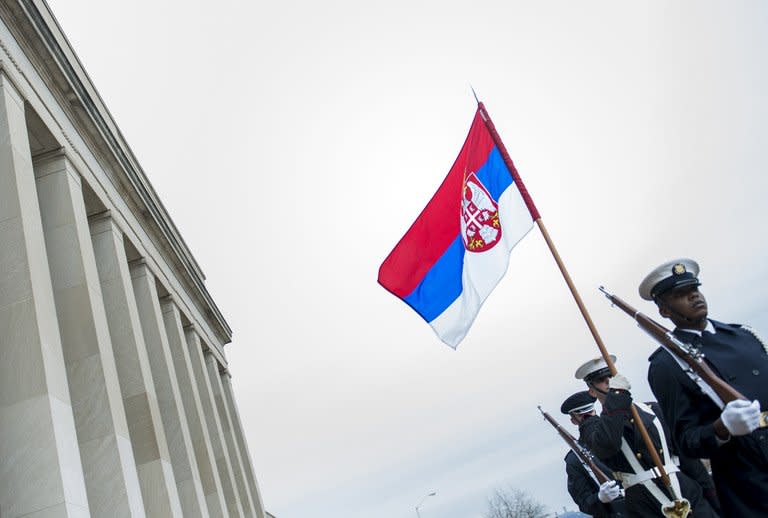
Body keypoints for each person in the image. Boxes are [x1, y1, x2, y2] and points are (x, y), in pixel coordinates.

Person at [641, 258, 768, 517]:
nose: (694, 297)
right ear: (664, 310)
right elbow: (686, 441)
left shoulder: (744, 335)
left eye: (694, 290)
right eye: (680, 295)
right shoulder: (666, 364)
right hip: (750, 479)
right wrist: (723, 428)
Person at [575, 356, 720, 517]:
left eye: (611, 376)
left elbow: (688, 460)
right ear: (592, 391)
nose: (609, 382)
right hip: (645, 504)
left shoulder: (654, 410)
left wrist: (713, 498)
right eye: (602, 380)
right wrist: (616, 399)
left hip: (686, 491)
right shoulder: (593, 428)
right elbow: (607, 445)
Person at [561, 391, 626, 517]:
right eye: (582, 415)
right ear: (573, 420)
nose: (588, 417)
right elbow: (584, 503)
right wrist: (600, 497)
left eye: (589, 412)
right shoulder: (575, 459)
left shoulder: (620, 433)